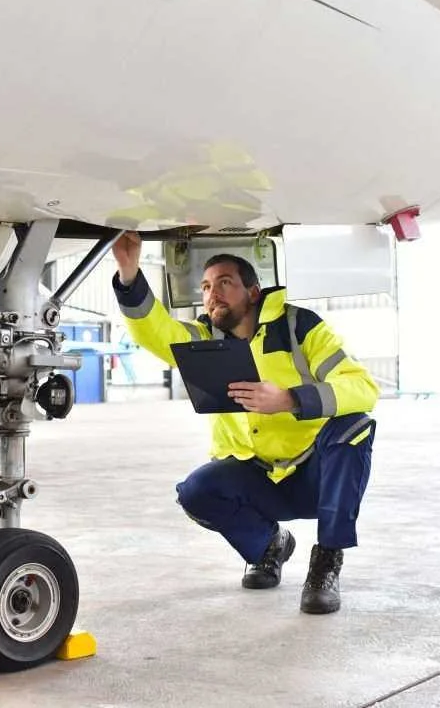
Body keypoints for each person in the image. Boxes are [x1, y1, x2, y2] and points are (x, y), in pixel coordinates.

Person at [111, 232, 379, 614]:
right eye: (205, 286)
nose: (212, 293)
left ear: (253, 292)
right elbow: (154, 331)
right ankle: (268, 546)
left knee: (354, 425)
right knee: (196, 491)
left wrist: (289, 399)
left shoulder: (299, 327)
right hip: (255, 477)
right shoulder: (203, 339)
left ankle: (326, 560)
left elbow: (362, 388)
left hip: (314, 475)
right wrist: (128, 272)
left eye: (224, 283)